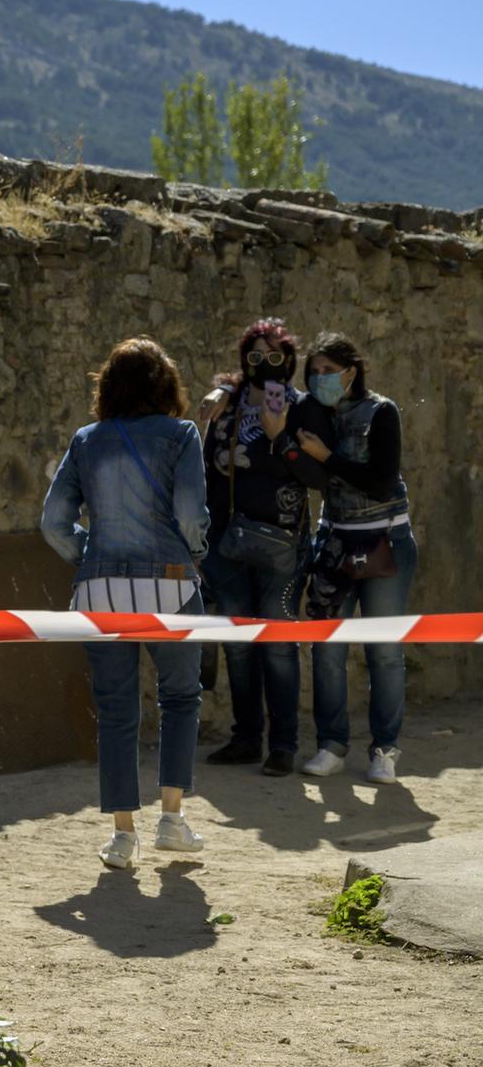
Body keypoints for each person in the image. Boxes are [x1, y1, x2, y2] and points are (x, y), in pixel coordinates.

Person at [40, 339, 211, 870]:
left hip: (100, 591)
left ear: (107, 386)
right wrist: (197, 552)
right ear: (167, 385)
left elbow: (52, 522)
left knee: (116, 712)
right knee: (180, 699)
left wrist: (87, 555)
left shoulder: (86, 440)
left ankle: (121, 835)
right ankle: (173, 821)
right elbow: (190, 514)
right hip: (172, 584)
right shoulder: (182, 434)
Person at [194, 318, 328, 776]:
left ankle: (284, 745)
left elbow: (316, 479)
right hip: (227, 546)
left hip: (283, 549)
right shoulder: (226, 409)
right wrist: (202, 542)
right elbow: (209, 475)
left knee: (278, 644)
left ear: (289, 360)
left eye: (275, 357)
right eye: (255, 357)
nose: (266, 366)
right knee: (238, 646)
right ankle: (246, 738)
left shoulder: (304, 409)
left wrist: (278, 438)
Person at [293, 333, 417, 784]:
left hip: (384, 543)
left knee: (384, 652)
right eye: (314, 372)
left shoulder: (382, 411)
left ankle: (385, 749)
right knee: (327, 649)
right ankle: (331, 745)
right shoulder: (314, 414)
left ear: (352, 370)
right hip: (334, 545)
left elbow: (381, 482)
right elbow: (266, 394)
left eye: (329, 370)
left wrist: (327, 457)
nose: (321, 379)